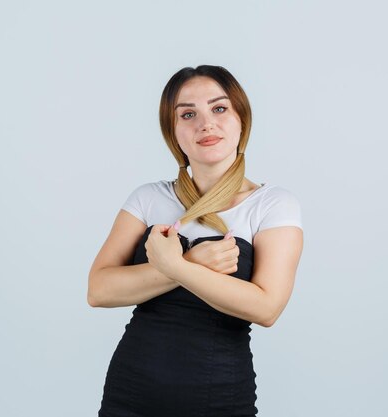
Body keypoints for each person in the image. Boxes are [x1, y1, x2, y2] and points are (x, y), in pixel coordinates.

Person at [87, 65, 304, 417]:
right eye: (188, 114)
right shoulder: (147, 199)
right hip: (131, 391)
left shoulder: (273, 205)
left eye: (219, 108)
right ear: (173, 132)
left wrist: (175, 265)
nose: (206, 123)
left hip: (217, 396)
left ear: (241, 120)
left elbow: (267, 309)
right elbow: (98, 289)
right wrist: (190, 265)